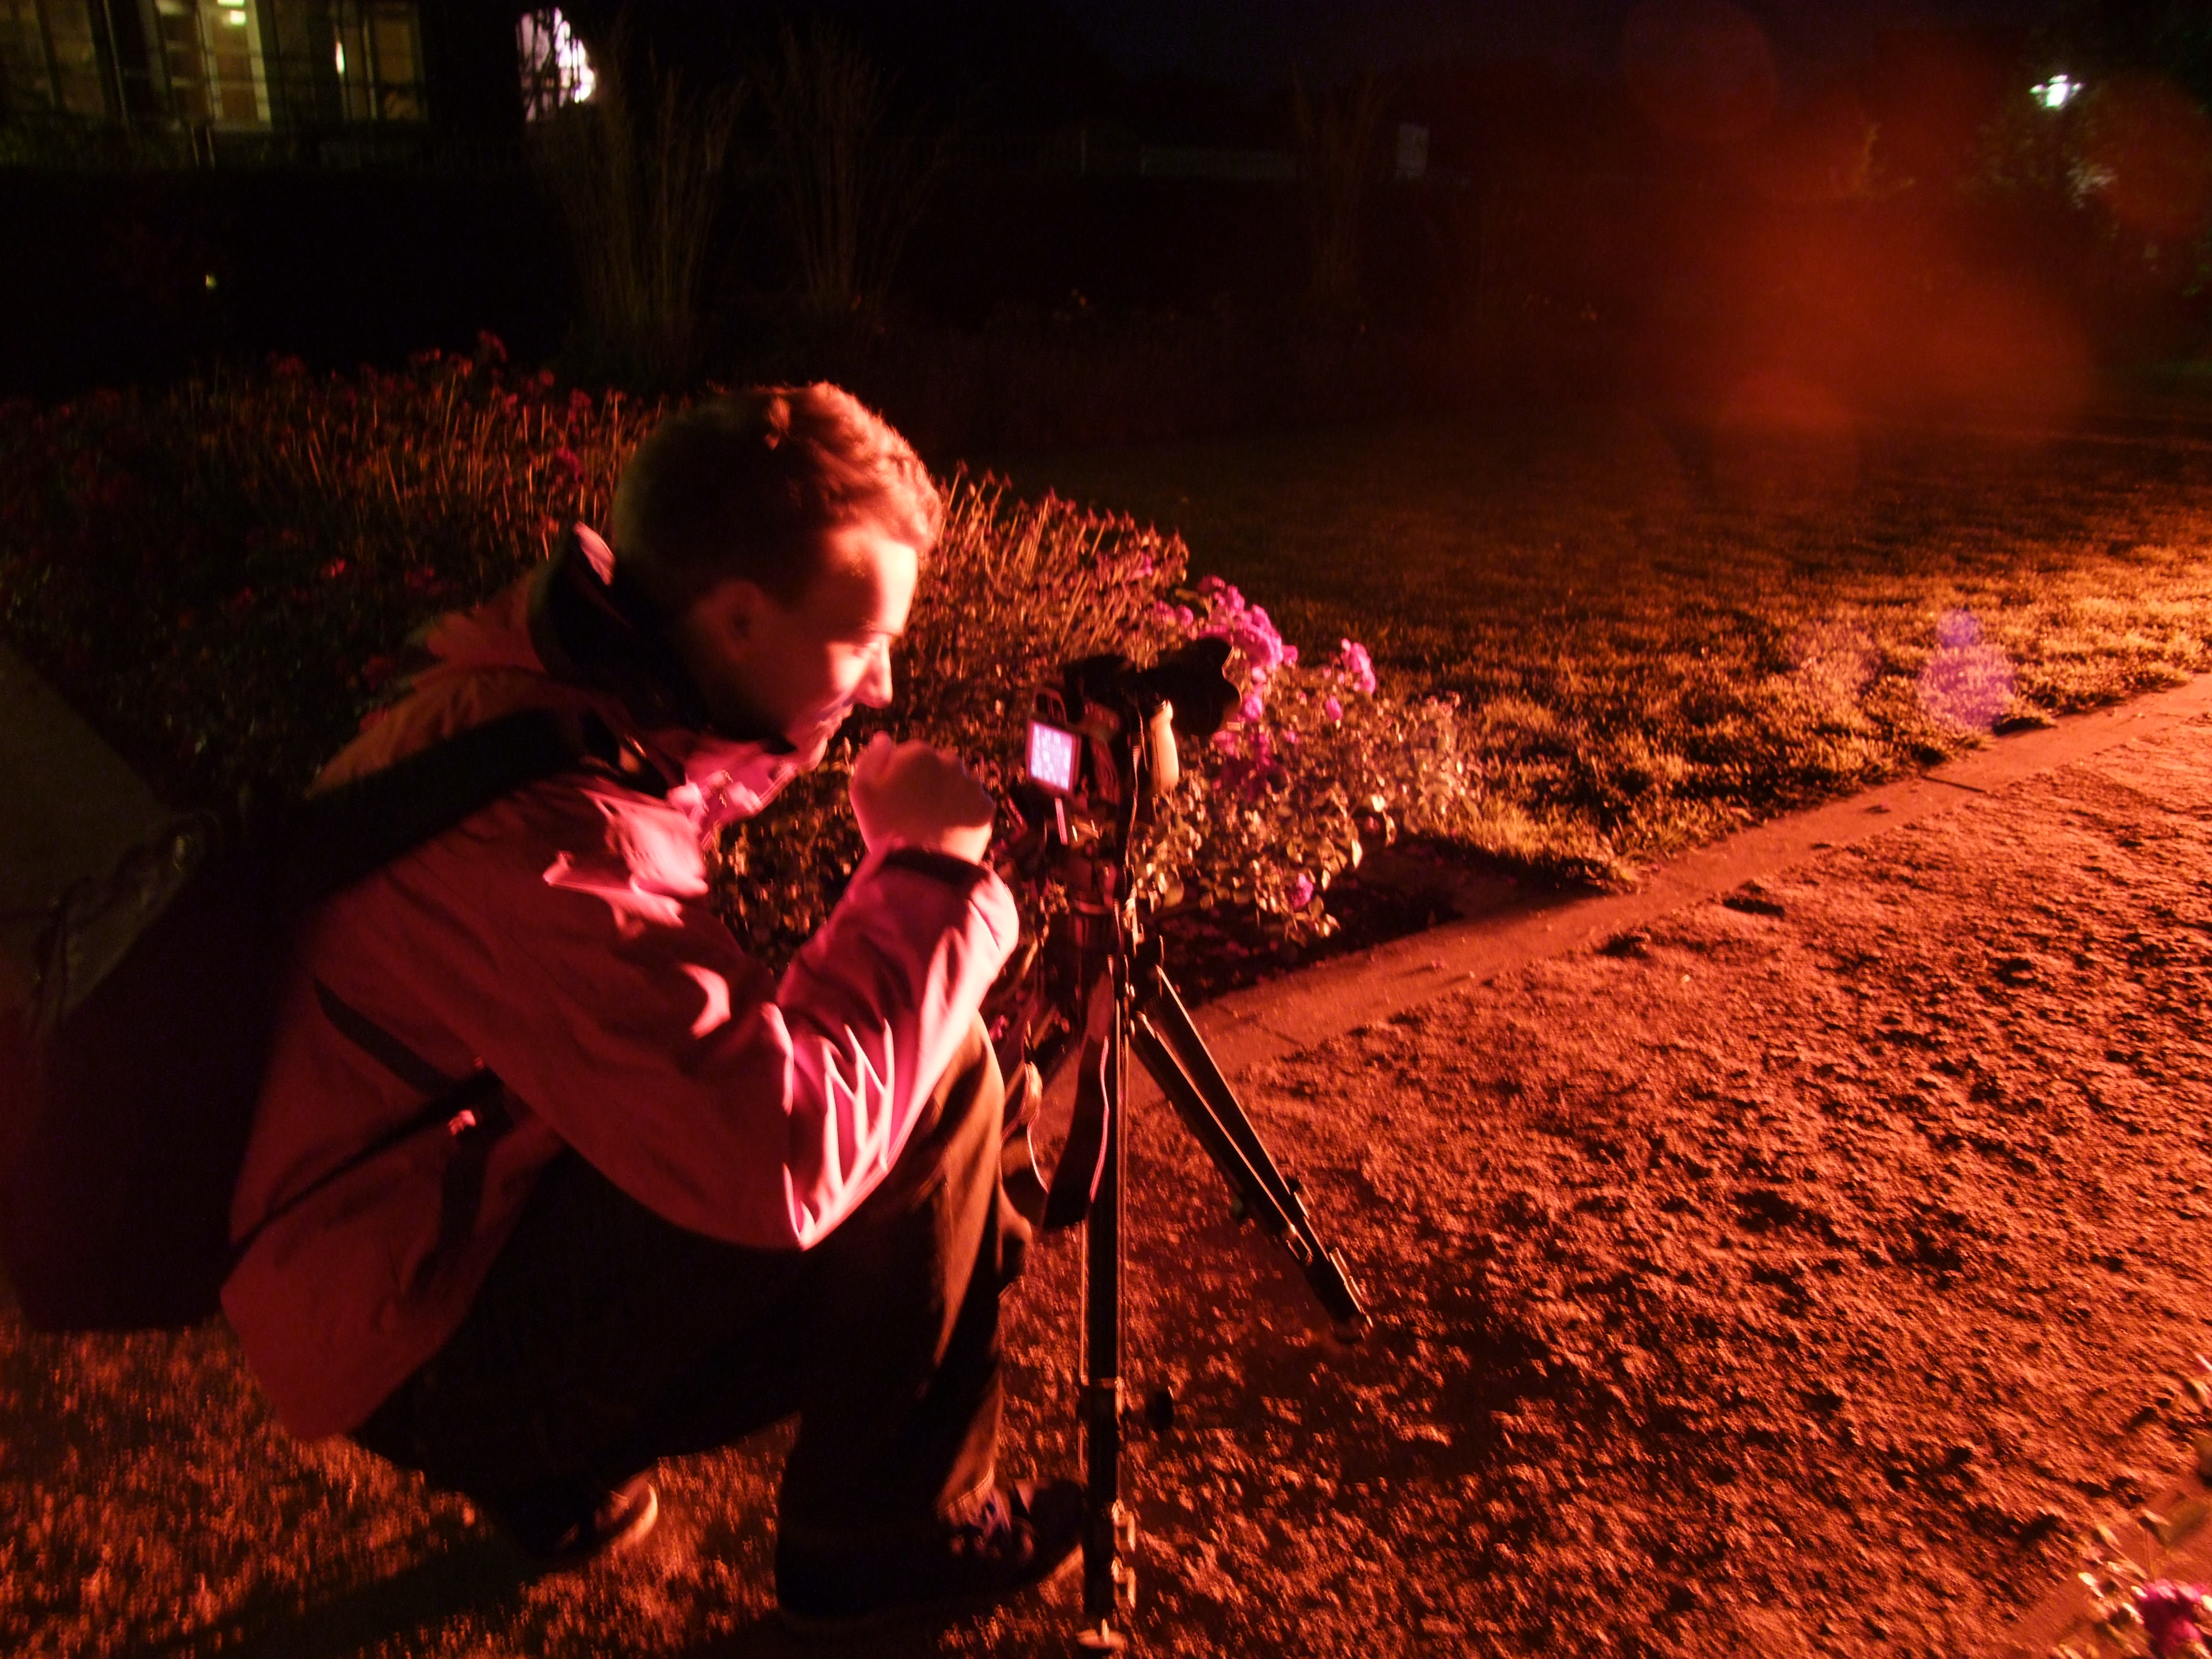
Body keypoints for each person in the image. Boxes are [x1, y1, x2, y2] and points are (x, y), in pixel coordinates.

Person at [220, 385, 1080, 1633]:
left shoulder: (555, 701)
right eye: (863, 640)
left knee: (903, 1108)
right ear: (736, 617)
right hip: (411, 1340)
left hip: (402, 1254)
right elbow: (777, 1153)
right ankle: (883, 1537)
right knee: (935, 1084)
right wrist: (930, 880)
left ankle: (556, 1468)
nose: (884, 687)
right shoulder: (544, 827)